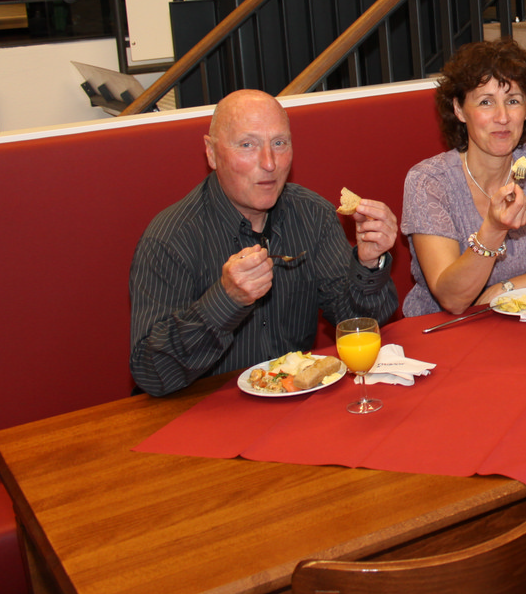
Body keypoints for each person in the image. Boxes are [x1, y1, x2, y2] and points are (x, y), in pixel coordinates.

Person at [130, 90, 399, 396]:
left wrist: (368, 264)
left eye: (279, 143)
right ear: (212, 153)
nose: (269, 163)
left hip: (296, 404)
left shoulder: (313, 215)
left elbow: (360, 327)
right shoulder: (170, 238)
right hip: (205, 409)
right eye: (248, 145)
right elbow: (152, 373)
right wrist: (226, 300)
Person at [401, 39, 526, 316]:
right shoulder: (429, 181)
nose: (502, 117)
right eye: (486, 102)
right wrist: (493, 230)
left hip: (525, 323)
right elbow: (453, 300)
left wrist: (506, 289)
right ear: (459, 110)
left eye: (513, 101)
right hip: (445, 330)